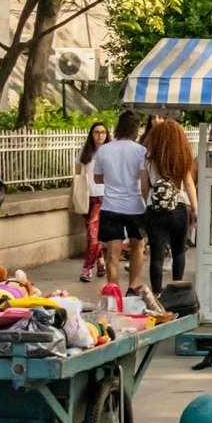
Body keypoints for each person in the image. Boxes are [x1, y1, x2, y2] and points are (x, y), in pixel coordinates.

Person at [94, 111, 149, 292]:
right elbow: (143, 183)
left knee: (112, 254)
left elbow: (97, 178)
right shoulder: (140, 151)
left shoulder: (104, 150)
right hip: (135, 206)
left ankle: (114, 291)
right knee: (137, 247)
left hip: (111, 207)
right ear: (136, 129)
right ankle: (133, 286)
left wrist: (113, 180)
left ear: (118, 127)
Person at [142, 119, 197, 295]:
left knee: (156, 255)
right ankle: (176, 292)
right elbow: (189, 184)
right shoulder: (182, 158)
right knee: (179, 252)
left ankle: (157, 294)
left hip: (155, 208)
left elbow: (144, 187)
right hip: (179, 208)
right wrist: (195, 209)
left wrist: (146, 206)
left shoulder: (148, 159)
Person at [75, 123, 109, 282]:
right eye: (96, 132)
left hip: (103, 196)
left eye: (103, 132)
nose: (100, 135)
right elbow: (77, 174)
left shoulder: (110, 151)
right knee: (91, 234)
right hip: (86, 196)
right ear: (92, 134)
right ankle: (101, 263)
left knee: (92, 235)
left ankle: (87, 268)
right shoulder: (85, 151)